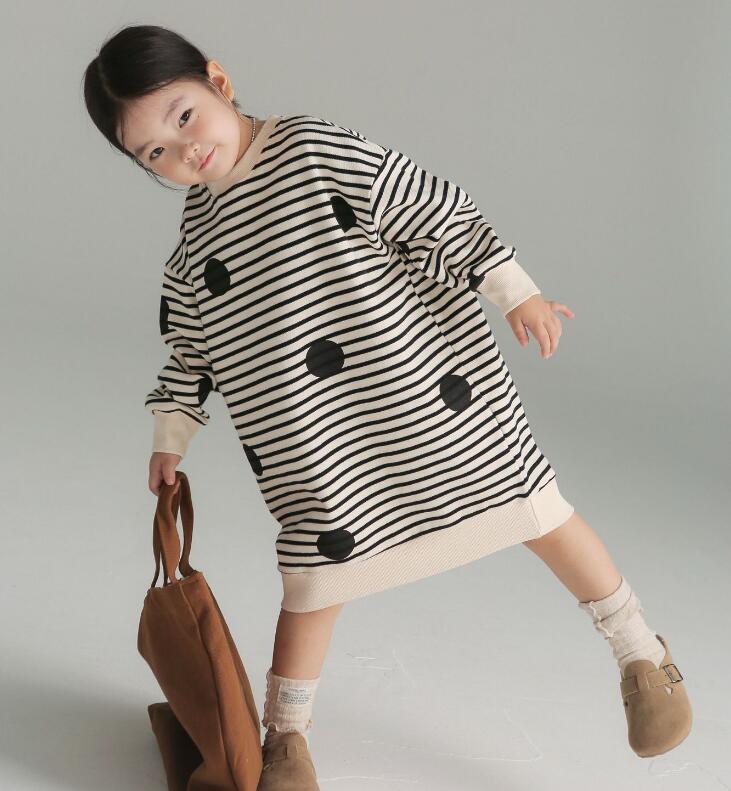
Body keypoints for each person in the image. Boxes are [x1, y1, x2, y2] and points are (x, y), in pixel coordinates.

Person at [82, 23, 692, 788]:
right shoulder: (193, 247)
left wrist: (514, 290)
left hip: (435, 406)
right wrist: (170, 435)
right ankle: (285, 737)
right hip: (320, 455)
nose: (184, 150)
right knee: (314, 583)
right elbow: (189, 349)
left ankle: (641, 654)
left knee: (537, 513)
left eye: (184, 116)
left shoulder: (311, 150)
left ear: (219, 82)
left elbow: (428, 208)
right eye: (155, 154)